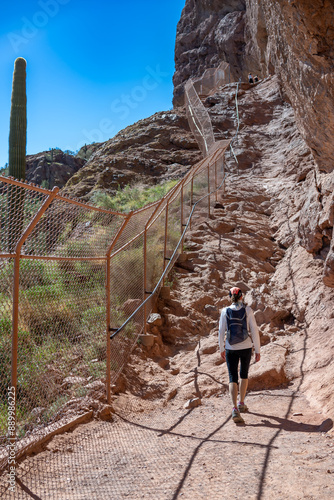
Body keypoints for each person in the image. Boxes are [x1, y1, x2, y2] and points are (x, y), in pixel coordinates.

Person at [218, 287, 260, 424]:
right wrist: (257, 350)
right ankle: (242, 402)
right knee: (244, 374)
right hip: (246, 346)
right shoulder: (248, 310)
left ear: (229, 297)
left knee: (232, 377)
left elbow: (221, 331)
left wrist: (221, 348)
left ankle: (235, 408)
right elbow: (254, 330)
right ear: (242, 297)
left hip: (230, 347)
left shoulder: (225, 311)